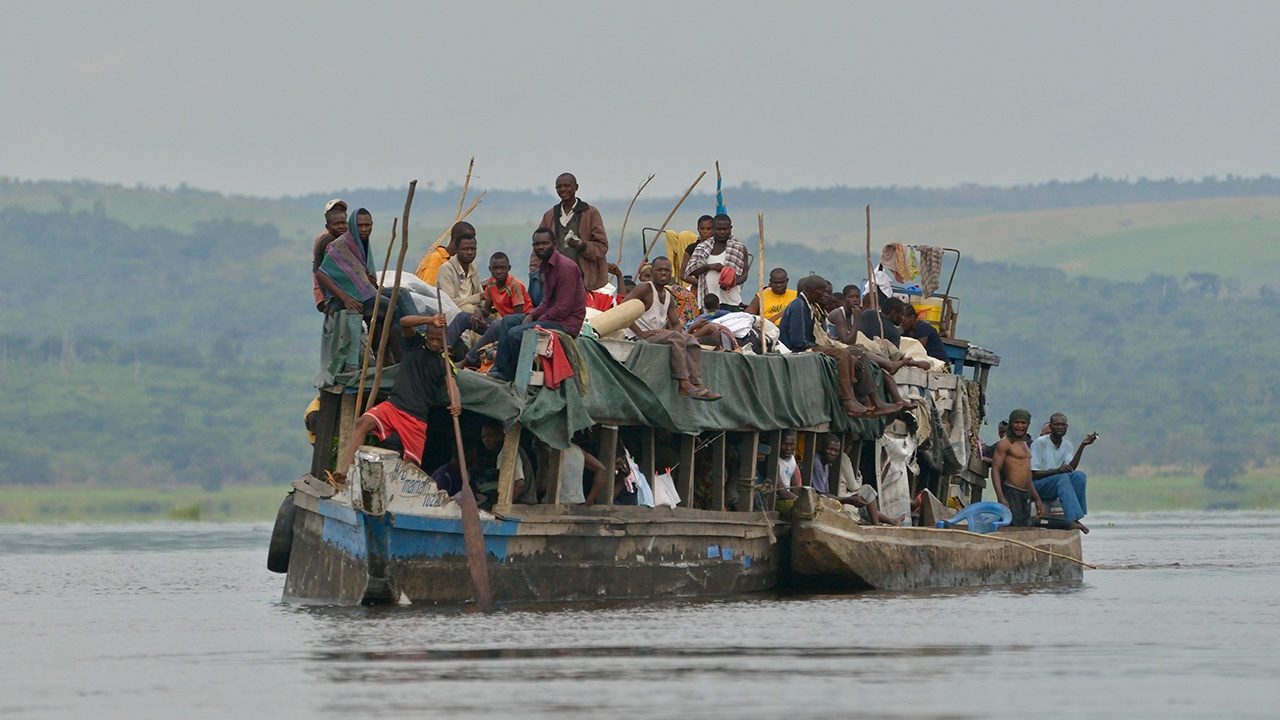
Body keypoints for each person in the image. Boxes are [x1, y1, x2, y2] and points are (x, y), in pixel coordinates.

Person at [329, 314, 460, 486]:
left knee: (410, 464)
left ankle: (396, 492)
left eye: (438, 340)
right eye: (431, 338)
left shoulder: (446, 364)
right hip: (395, 405)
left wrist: (456, 403)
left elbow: (452, 385)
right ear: (426, 335)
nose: (434, 343)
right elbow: (404, 321)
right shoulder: (415, 343)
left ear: (445, 338)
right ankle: (347, 473)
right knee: (362, 423)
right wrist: (430, 319)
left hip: (417, 418)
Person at [778, 275, 913, 417]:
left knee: (858, 353)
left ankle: (874, 402)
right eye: (822, 292)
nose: (826, 295)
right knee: (843, 354)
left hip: (807, 345)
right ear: (813, 291)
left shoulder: (810, 306)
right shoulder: (799, 306)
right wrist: (830, 349)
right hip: (799, 350)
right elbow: (799, 341)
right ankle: (848, 401)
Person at [491, 228, 587, 381]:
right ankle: (502, 371)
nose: (540, 247)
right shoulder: (546, 266)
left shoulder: (565, 268)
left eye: (544, 243)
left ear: (554, 244)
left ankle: (519, 376)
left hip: (566, 323)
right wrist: (532, 314)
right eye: (537, 244)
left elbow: (562, 308)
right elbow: (547, 301)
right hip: (552, 318)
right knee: (508, 321)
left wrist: (538, 319)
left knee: (516, 333)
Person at [620, 256, 721, 400]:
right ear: (652, 272)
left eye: (667, 270)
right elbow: (622, 309)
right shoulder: (645, 288)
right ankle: (683, 383)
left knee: (691, 339)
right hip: (638, 336)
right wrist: (640, 332)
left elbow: (675, 324)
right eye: (659, 270)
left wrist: (677, 335)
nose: (663, 273)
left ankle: (696, 383)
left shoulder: (668, 295)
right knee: (676, 337)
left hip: (657, 334)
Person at [535, 173, 610, 306]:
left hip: (583, 279)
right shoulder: (550, 215)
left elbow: (602, 246)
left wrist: (582, 246)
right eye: (559, 187)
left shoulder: (590, 213)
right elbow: (538, 247)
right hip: (556, 279)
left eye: (567, 186)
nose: (563, 189)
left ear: (576, 187)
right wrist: (536, 273)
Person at [811, 434, 903, 525]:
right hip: (828, 500)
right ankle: (878, 524)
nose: (833, 453)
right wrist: (849, 498)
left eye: (836, 450)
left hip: (835, 498)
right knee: (868, 491)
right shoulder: (820, 463)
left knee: (866, 502)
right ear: (821, 447)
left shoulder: (826, 463)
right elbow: (820, 494)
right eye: (830, 449)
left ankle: (890, 521)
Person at [459, 252, 531, 367]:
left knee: (497, 325)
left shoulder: (514, 286)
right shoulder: (491, 283)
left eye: (502, 268)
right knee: (462, 317)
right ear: (490, 269)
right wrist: (478, 311)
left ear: (509, 268)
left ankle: (468, 360)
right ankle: (445, 351)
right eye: (495, 268)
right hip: (500, 326)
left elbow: (518, 319)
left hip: (514, 328)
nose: (498, 271)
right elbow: (486, 310)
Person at [1030, 413, 1097, 533]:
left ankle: (1076, 517)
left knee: (1079, 476)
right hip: (1038, 486)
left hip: (1057, 483)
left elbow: (1070, 469)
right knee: (1062, 478)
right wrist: (1057, 471)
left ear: (1067, 427)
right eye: (1056, 425)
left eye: (1063, 425)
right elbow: (1033, 473)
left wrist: (1083, 445)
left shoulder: (1067, 445)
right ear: (1050, 426)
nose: (1060, 427)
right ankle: (1071, 520)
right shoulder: (1040, 443)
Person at [685, 214, 750, 310]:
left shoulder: (739, 248)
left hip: (731, 302)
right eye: (719, 229)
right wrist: (710, 267)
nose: (722, 232)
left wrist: (731, 283)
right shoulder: (702, 248)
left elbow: (744, 275)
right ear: (713, 229)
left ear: (730, 228)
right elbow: (691, 271)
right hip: (708, 303)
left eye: (725, 229)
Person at [991, 409, 1043, 527]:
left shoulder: (1025, 444)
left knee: (1025, 526)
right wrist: (1001, 497)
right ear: (1011, 424)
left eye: (1023, 423)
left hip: (1025, 494)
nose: (1020, 426)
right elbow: (995, 470)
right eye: (1016, 422)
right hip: (1011, 492)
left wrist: (1037, 499)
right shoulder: (1005, 443)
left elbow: (1027, 476)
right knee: (1012, 526)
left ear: (1028, 425)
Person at [414, 221, 471, 285]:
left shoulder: (460, 263)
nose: (471, 243)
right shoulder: (435, 260)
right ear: (456, 238)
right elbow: (429, 290)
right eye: (468, 239)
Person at [678, 215, 716, 287]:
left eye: (708, 229)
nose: (705, 232)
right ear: (698, 229)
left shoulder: (718, 247)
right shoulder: (692, 249)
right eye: (702, 229)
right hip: (699, 288)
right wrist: (700, 283)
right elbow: (683, 274)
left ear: (713, 230)